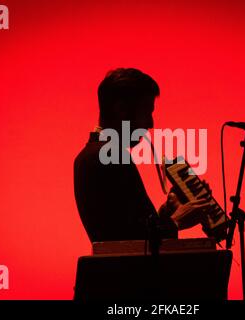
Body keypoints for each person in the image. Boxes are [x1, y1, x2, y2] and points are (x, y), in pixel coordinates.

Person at [74, 68, 211, 242]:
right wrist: (176, 221)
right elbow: (130, 240)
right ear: (121, 109)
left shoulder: (89, 156)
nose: (150, 123)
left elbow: (124, 226)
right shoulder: (110, 154)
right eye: (146, 111)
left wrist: (167, 213)